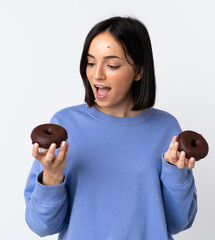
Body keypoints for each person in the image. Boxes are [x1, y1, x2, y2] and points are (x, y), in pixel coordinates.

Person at [24, 16, 198, 240]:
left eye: (112, 65)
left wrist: (176, 173)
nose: (97, 75)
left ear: (139, 71)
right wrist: (52, 176)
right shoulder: (65, 124)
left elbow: (178, 222)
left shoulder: (166, 128)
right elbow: (41, 226)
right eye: (90, 62)